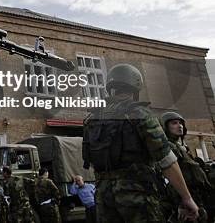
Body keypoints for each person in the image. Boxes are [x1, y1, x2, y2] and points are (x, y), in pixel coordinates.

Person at [83, 63, 200, 223]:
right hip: (136, 194)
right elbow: (166, 160)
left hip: (103, 196)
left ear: (111, 85)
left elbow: (91, 161)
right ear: (136, 85)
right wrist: (186, 197)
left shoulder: (93, 118)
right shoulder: (139, 113)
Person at [161, 111, 213, 223]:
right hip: (185, 200)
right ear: (165, 127)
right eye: (174, 123)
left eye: (180, 123)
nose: (179, 126)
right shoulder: (168, 148)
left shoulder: (182, 148)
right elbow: (170, 177)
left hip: (198, 196)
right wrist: (180, 203)